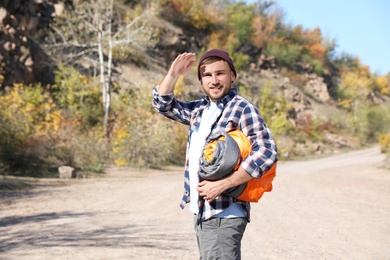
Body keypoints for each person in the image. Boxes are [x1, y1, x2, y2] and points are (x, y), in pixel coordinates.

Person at [152, 49, 277, 260]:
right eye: (207, 75)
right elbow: (163, 104)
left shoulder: (242, 109)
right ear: (201, 81)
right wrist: (173, 75)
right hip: (204, 212)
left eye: (220, 73)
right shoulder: (200, 109)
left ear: (232, 76)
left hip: (224, 212)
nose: (214, 80)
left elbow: (266, 152)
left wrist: (223, 184)